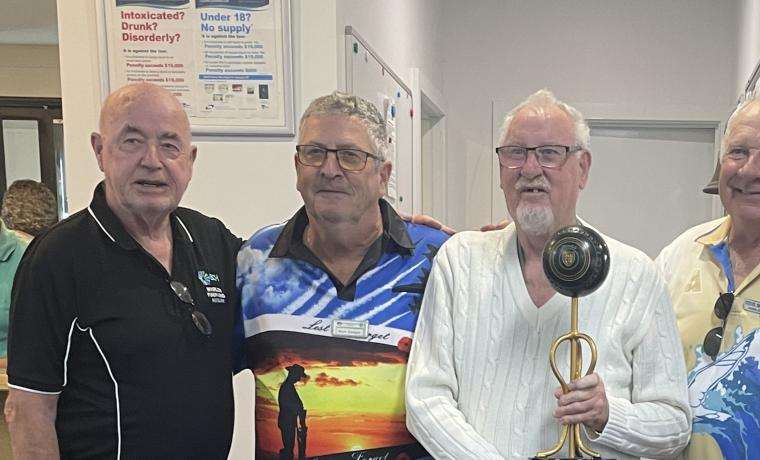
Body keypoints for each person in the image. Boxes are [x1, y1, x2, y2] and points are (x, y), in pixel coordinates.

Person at [405, 89, 691, 460]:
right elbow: (425, 398)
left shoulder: (637, 274)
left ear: (583, 168)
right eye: (515, 153)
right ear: (501, 169)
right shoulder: (459, 261)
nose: (529, 169)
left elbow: (674, 425)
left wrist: (609, 416)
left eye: (549, 153)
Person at [4, 82, 241, 459]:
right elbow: (29, 410)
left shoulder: (212, 240)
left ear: (190, 160)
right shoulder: (57, 258)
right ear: (99, 150)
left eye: (169, 145)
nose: (152, 160)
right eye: (132, 141)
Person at [237, 91, 450, 459]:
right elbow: (197, 370)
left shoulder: (438, 259)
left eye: (351, 156)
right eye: (315, 153)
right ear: (297, 167)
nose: (329, 169)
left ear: (383, 176)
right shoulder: (255, 259)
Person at [656, 95, 760, 459]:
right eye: (738, 152)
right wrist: (539, 247)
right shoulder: (681, 252)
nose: (750, 171)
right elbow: (619, 330)